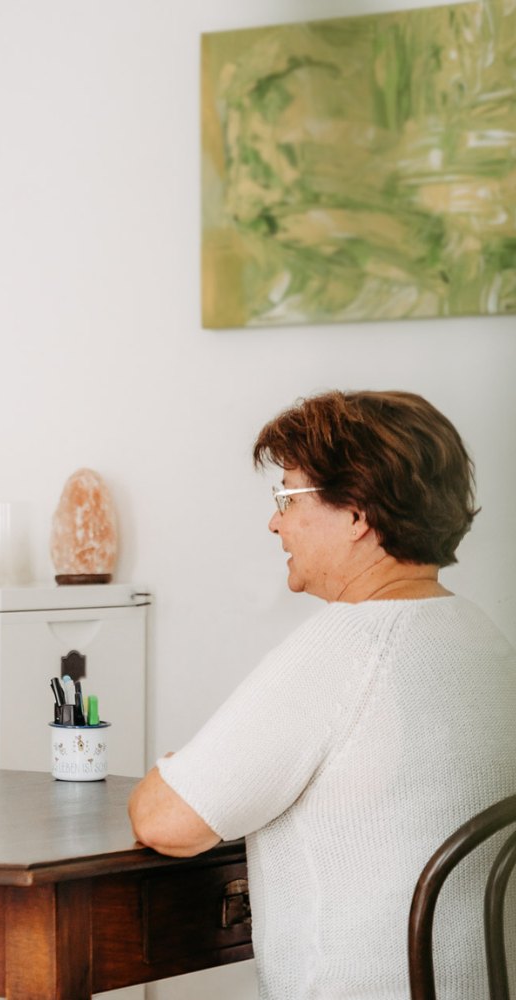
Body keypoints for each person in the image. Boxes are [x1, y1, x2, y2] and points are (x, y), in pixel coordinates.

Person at [129, 390, 516, 999]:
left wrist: (181, 768)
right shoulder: (483, 639)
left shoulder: (351, 644)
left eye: (286, 497)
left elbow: (165, 820)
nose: (274, 521)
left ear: (357, 514)